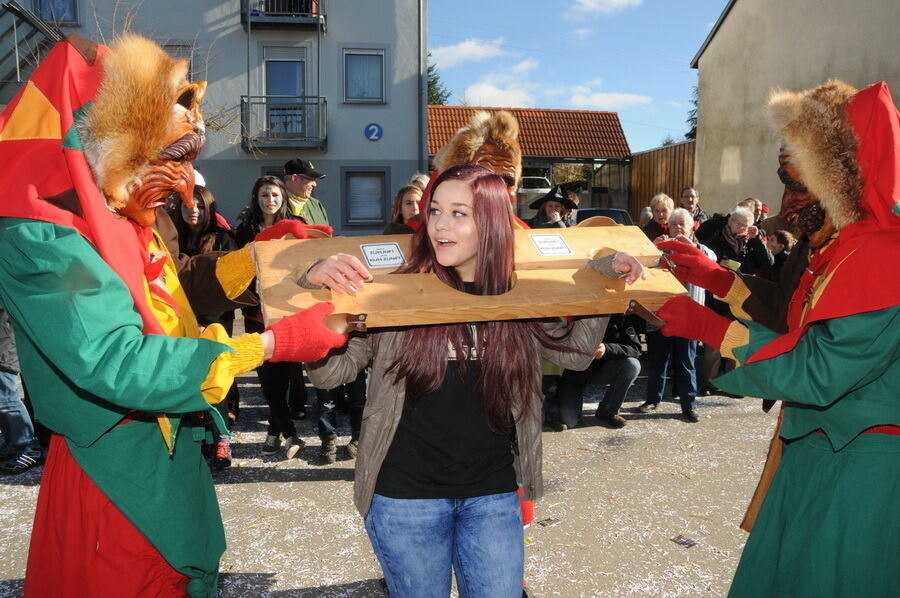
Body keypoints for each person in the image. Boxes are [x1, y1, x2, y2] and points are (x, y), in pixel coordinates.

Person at [0, 34, 347, 597]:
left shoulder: (121, 210)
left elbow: (173, 288)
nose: (186, 188)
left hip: (166, 448)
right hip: (113, 471)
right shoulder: (44, 239)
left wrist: (257, 257)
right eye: (170, 160)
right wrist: (267, 346)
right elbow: (116, 360)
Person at [304, 164, 646, 598]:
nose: (440, 225)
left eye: (459, 213)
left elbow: (575, 355)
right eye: (435, 210)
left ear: (492, 223)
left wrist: (603, 283)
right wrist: (313, 293)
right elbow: (331, 372)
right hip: (404, 496)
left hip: (492, 493)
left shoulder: (518, 294)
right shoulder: (393, 290)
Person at [656, 79, 899, 597]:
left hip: (859, 468)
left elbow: (817, 368)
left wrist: (711, 328)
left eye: (800, 182)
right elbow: (794, 312)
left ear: (844, 176)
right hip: (822, 450)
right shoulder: (839, 244)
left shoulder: (880, 254)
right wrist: (717, 278)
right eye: (784, 182)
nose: (787, 205)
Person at [235, 176, 310, 460]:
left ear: (283, 198)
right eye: (265, 195)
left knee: (284, 375)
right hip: (256, 312)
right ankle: (290, 433)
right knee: (266, 376)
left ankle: (273, 432)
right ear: (257, 198)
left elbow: (303, 263)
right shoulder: (245, 229)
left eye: (275, 195)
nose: (270, 200)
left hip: (286, 310)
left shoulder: (295, 226)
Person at [172, 181, 241, 469]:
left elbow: (232, 286)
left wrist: (205, 323)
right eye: (188, 206)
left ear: (209, 208)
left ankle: (221, 441)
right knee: (186, 380)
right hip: (178, 321)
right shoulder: (171, 239)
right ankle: (195, 441)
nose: (194, 211)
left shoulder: (224, 239)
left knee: (217, 378)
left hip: (215, 322)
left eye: (200, 206)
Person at [637, 209, 716, 422]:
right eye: (674, 224)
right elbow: (641, 268)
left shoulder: (700, 249)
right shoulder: (661, 248)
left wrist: (690, 247)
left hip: (689, 316)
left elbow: (712, 262)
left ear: (691, 228)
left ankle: (689, 405)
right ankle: (653, 399)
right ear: (668, 227)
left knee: (686, 362)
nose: (678, 228)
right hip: (661, 313)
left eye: (683, 224)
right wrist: (651, 248)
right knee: (657, 360)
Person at [549, 313, 642, 429]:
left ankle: (608, 411)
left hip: (602, 369)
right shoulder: (576, 313)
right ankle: (553, 408)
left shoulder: (618, 315)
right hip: (575, 372)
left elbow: (635, 349)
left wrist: (607, 348)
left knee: (632, 365)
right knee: (569, 421)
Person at [0, 307, 43, 474]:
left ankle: (27, 446)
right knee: (4, 399)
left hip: (5, 345)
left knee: (6, 399)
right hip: (6, 342)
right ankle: (14, 443)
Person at [704, 206, 773, 276]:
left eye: (744, 225)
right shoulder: (715, 241)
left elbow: (767, 263)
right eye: (737, 222)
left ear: (749, 227)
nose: (740, 226)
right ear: (730, 221)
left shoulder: (752, 242)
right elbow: (705, 263)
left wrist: (757, 239)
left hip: (745, 281)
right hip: (721, 278)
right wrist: (718, 263)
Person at [283, 158, 330, 225]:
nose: (315, 184)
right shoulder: (274, 204)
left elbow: (326, 230)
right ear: (294, 178)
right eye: (311, 179)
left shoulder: (316, 205)